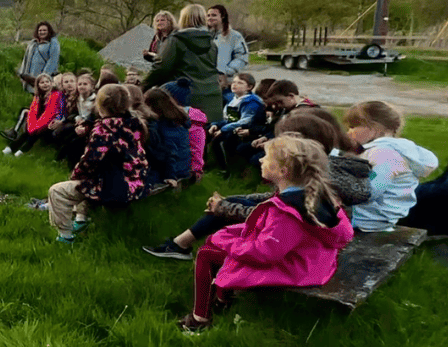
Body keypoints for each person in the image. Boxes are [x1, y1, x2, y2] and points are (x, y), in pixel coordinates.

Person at [177, 135, 354, 331]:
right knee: (217, 245)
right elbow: (268, 233)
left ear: (282, 171)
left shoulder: (287, 212)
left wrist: (224, 241)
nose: (260, 160)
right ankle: (222, 299)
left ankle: (199, 320)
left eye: (266, 157)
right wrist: (227, 234)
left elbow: (264, 253)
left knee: (206, 254)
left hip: (296, 268)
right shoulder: (311, 194)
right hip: (310, 258)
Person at [144, 108, 370, 260]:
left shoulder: (320, 176)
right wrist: (230, 203)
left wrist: (224, 208)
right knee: (231, 202)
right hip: (301, 230)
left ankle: (183, 247)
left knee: (227, 208)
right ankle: (181, 244)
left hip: (307, 243)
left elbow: (279, 215)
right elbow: (277, 201)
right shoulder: (316, 164)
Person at [47, 84, 148, 243]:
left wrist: (75, 176)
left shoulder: (103, 129)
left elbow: (90, 160)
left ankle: (65, 236)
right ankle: (81, 219)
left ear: (101, 105)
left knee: (57, 192)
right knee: (86, 183)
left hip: (115, 186)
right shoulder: (135, 124)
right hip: (136, 181)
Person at [344, 100, 439, 233]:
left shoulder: (383, 155)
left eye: (353, 127)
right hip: (383, 215)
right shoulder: (397, 149)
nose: (349, 132)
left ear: (373, 128)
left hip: (370, 221)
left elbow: (369, 191)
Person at [142, 3, 222, 129]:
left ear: (183, 19)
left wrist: (142, 88)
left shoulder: (175, 40)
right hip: (212, 97)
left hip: (185, 96)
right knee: (203, 141)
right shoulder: (212, 43)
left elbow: (162, 68)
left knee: (184, 141)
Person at [207, 71, 267, 176]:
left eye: (240, 83)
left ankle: (232, 170)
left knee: (225, 140)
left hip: (251, 130)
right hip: (235, 127)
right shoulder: (234, 99)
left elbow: (245, 121)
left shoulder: (252, 102)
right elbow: (230, 118)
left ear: (249, 87)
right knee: (212, 135)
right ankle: (221, 167)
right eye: (234, 82)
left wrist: (223, 129)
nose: (234, 84)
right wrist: (216, 124)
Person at [143, 87, 192, 186]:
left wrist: (170, 175)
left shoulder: (165, 125)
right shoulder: (178, 119)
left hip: (176, 170)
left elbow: (170, 150)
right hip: (184, 166)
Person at [3, 73, 61, 156]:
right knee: (27, 131)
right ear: (38, 85)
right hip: (38, 120)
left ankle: (21, 151)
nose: (45, 84)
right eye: (42, 82)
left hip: (50, 122)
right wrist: (32, 125)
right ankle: (10, 148)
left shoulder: (55, 95)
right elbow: (33, 111)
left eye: (47, 82)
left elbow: (49, 114)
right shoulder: (38, 97)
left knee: (36, 132)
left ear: (51, 83)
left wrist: (36, 126)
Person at [207, 4, 250, 85]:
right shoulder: (205, 36)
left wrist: (226, 71)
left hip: (227, 82)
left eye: (214, 15)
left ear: (222, 16)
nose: (210, 18)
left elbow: (242, 57)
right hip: (207, 82)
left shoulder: (234, 36)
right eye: (208, 15)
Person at [18, 21, 60, 92]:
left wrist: (44, 77)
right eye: (40, 30)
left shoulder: (53, 43)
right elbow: (26, 58)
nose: (42, 32)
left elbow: (53, 60)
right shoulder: (33, 43)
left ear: (49, 31)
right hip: (31, 76)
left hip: (44, 77)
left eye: (44, 30)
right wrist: (23, 73)